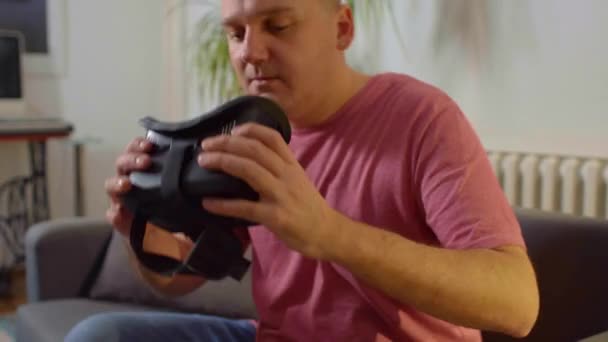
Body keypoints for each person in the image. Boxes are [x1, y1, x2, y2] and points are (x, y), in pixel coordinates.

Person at [66, 0, 539, 341]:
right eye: (236, 33)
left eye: (279, 24)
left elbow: (518, 305)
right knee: (99, 335)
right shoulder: (249, 132)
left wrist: (329, 233)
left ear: (342, 28)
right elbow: (181, 278)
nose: (250, 52)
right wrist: (137, 233)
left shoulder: (423, 120)